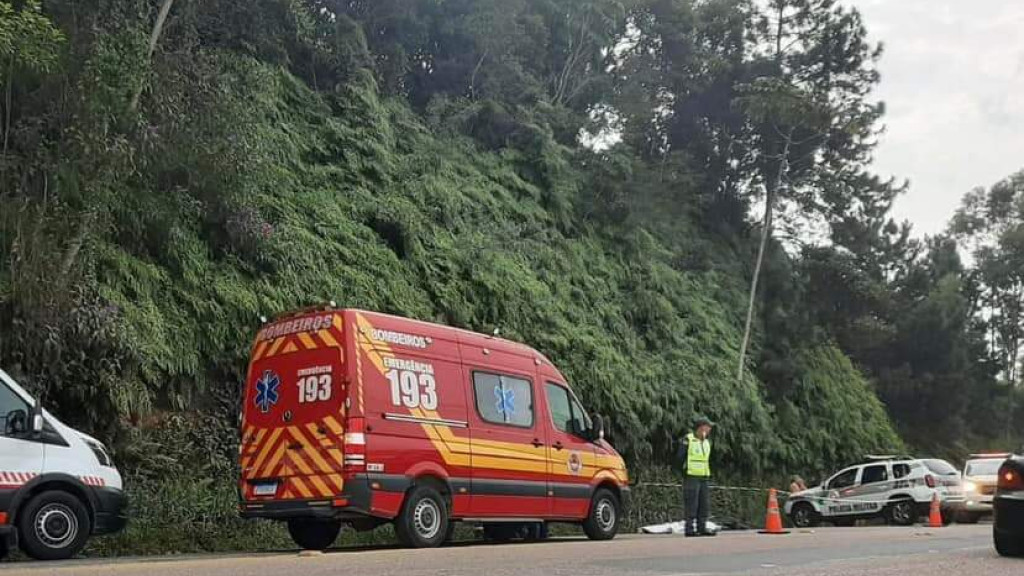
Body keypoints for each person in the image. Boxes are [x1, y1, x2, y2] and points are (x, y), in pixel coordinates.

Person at [679, 416, 715, 537]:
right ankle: (689, 529)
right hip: (691, 476)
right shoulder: (688, 440)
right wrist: (684, 472)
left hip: (704, 476)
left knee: (704, 504)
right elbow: (679, 457)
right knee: (691, 504)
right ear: (701, 427)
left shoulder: (706, 442)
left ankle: (702, 527)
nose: (709, 429)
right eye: (708, 427)